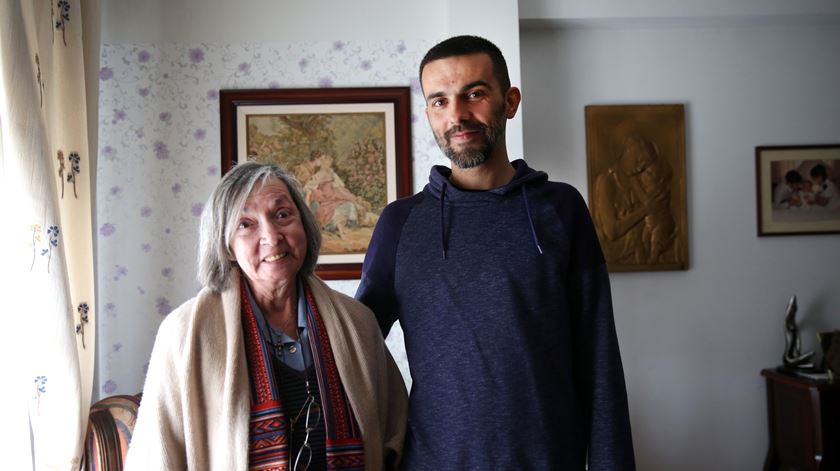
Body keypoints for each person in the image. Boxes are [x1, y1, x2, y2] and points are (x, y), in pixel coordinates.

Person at [356, 35, 635, 469]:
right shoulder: (400, 224)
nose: (457, 115)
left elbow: (599, 358)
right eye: (440, 101)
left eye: (475, 94)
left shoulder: (560, 209)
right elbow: (353, 344)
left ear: (510, 101)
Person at [125, 162, 407, 470]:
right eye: (246, 224)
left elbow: (396, 434)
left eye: (282, 215)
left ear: (304, 225)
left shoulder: (357, 323)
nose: (271, 237)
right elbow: (156, 456)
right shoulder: (185, 334)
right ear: (227, 246)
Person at [592, 136, 675, 265]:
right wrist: (646, 209)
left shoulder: (637, 182)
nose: (640, 167)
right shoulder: (606, 182)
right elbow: (611, 232)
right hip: (615, 258)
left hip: (639, 256)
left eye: (645, 164)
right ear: (627, 152)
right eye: (638, 160)